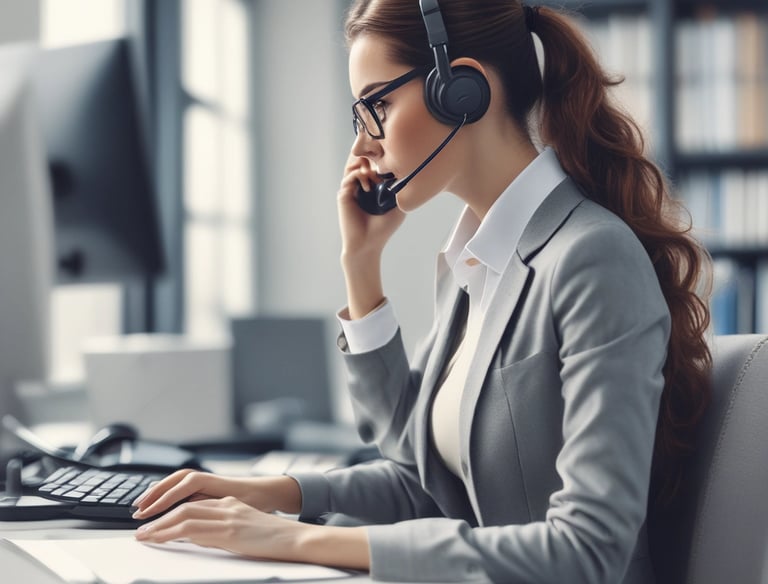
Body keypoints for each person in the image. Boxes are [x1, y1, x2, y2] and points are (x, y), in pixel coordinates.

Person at [131, 1, 713, 582]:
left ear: (462, 90)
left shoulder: (590, 257)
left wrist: (298, 540)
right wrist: (272, 493)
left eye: (377, 104)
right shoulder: (474, 264)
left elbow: (588, 552)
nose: (362, 146)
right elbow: (423, 475)